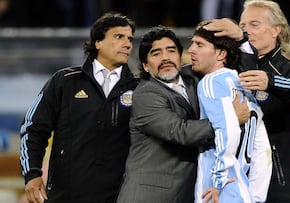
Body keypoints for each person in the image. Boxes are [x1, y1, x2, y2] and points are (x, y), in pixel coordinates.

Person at [116, 25, 250, 203]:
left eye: (171, 51)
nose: (165, 58)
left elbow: (232, 66)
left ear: (181, 57)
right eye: (156, 53)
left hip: (185, 193)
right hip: (148, 196)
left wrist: (242, 38)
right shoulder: (145, 94)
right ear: (146, 66)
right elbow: (180, 132)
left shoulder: (194, 78)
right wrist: (230, 119)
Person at [19, 12, 138, 203]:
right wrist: (32, 173)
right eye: (119, 37)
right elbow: (33, 128)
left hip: (120, 195)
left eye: (130, 39)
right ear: (98, 42)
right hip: (67, 194)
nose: (127, 44)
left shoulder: (139, 88)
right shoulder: (65, 81)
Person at [203, 1, 290, 202]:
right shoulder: (227, 69)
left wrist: (270, 82)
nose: (246, 31)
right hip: (230, 183)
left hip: (276, 186)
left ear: (275, 30)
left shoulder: (289, 70)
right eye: (242, 26)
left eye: (254, 24)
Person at [188, 20, 272, 203]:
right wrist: (256, 196)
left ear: (221, 53)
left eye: (199, 44)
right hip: (243, 189)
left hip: (216, 188)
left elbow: (228, 131)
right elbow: (263, 150)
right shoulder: (245, 86)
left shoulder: (211, 82)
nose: (190, 50)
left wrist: (218, 180)